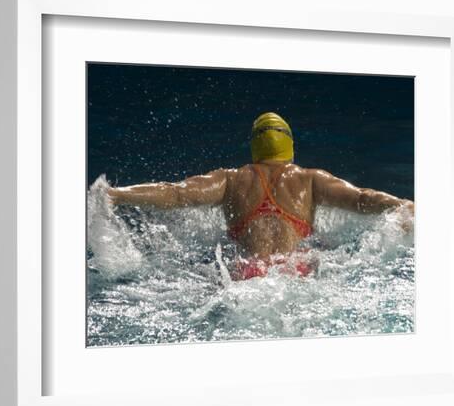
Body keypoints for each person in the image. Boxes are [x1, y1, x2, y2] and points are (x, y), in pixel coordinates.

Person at [107, 112, 414, 280]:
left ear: (255, 146)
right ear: (289, 145)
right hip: (295, 274)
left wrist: (117, 195)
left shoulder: (230, 180)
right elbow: (362, 199)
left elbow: (174, 194)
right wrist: (401, 204)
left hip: (244, 276)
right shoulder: (309, 180)